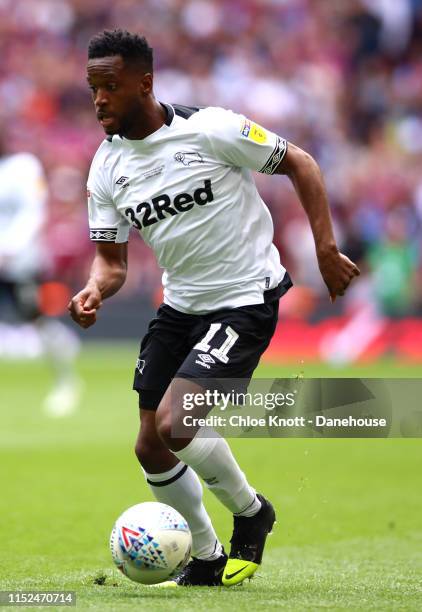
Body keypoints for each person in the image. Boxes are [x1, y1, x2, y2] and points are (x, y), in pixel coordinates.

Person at [69, 29, 360, 587]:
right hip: (181, 306)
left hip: (245, 298)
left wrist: (325, 247)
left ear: (144, 83)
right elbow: (112, 264)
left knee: (178, 423)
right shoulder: (105, 169)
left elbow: (300, 162)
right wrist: (94, 290)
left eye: (110, 86)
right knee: (149, 445)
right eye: (92, 88)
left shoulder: (211, 129)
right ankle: (204, 555)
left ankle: (252, 513)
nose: (99, 99)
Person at [0, 133, 81, 417]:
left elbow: (33, 211)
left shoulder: (24, 166)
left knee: (35, 319)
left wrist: (10, 249)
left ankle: (66, 382)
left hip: (19, 262)